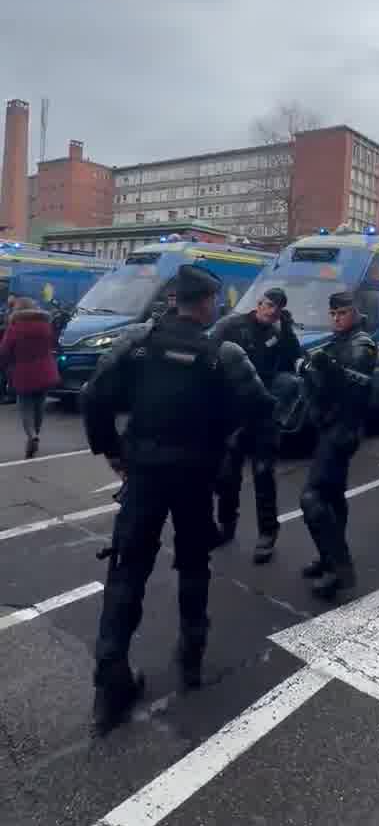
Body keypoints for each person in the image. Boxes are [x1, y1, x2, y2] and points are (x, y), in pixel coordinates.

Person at [82, 263, 275, 733]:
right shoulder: (222, 353)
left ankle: (111, 683)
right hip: (193, 477)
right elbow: (261, 406)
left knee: (127, 570)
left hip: (144, 474)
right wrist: (226, 443)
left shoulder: (138, 341)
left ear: (173, 300)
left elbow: (93, 394)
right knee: (192, 563)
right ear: (206, 304)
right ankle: (191, 657)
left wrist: (112, 450)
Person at [297, 290, 377, 600]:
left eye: (341, 313)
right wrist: (307, 368)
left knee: (312, 498)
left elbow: (356, 387)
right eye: (332, 314)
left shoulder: (362, 345)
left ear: (355, 313)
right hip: (328, 426)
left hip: (342, 431)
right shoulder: (337, 341)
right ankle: (328, 557)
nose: (336, 318)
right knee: (331, 497)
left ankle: (340, 571)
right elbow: (321, 380)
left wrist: (327, 368)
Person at [213, 287, 302, 561]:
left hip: (264, 413)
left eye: (277, 308)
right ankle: (226, 526)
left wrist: (286, 328)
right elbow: (208, 354)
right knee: (228, 475)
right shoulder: (232, 326)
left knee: (264, 475)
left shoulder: (277, 333)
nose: (271, 311)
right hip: (233, 413)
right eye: (268, 305)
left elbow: (292, 360)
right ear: (259, 304)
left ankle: (267, 534)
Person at [0, 296, 60, 458]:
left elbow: (5, 350)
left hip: (23, 372)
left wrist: (3, 365)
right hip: (46, 371)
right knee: (40, 406)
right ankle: (37, 433)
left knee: (26, 407)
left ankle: (32, 436)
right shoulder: (45, 325)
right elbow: (53, 344)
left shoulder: (15, 327)